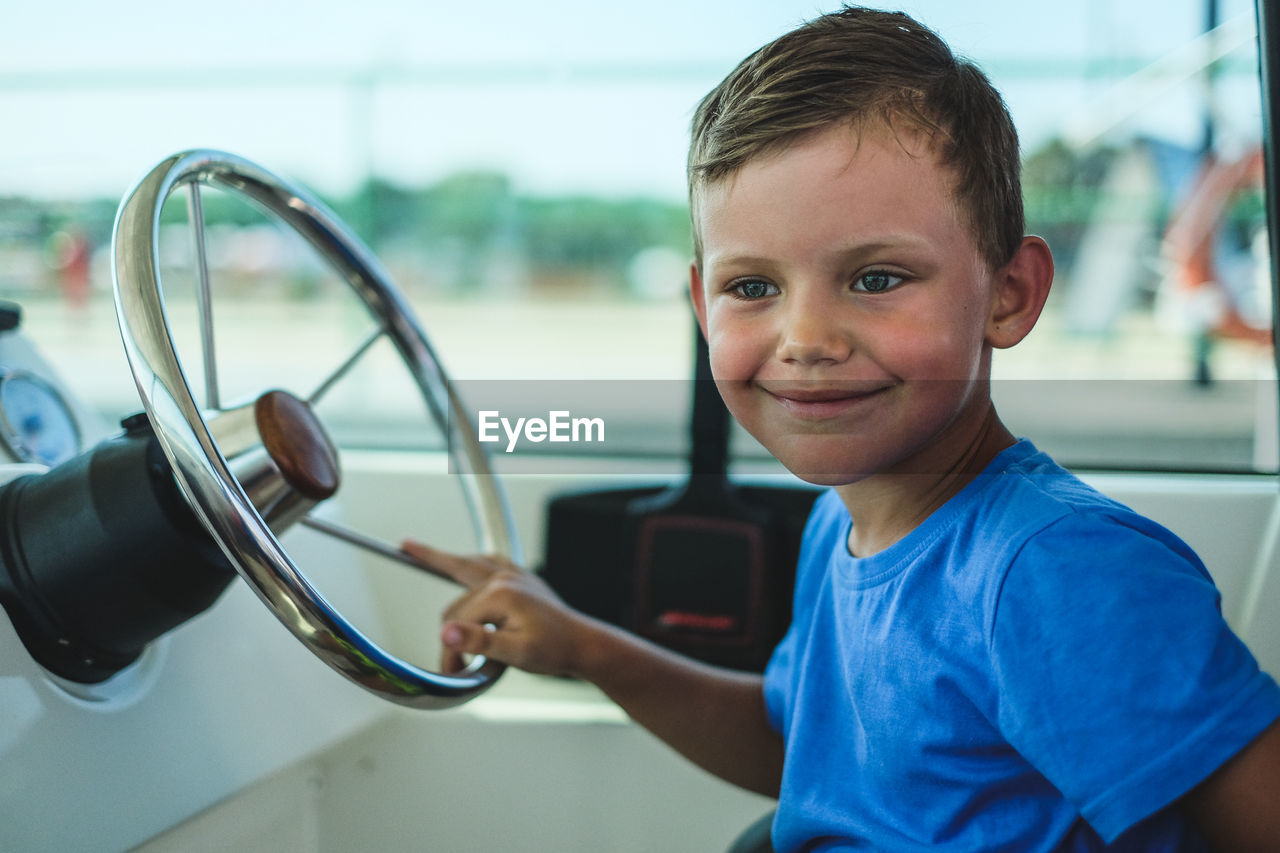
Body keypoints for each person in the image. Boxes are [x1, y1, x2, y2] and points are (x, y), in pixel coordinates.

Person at [403, 7, 1280, 850]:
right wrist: (585, 644)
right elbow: (804, 751)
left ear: (1010, 293)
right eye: (753, 288)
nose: (807, 341)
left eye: (876, 278)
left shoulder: (1057, 571)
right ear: (702, 306)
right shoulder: (844, 520)